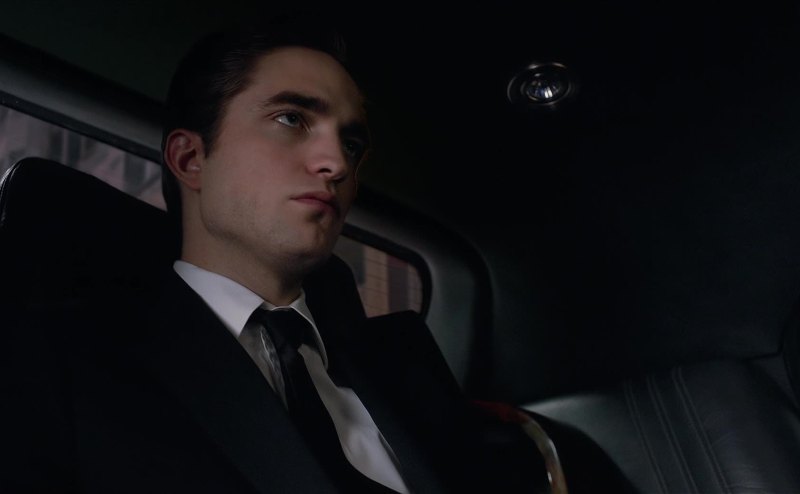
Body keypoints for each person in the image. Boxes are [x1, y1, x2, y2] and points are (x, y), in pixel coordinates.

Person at [0, 14, 552, 494]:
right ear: (191, 159)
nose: (336, 163)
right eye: (292, 118)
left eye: (352, 142)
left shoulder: (407, 367)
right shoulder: (57, 361)